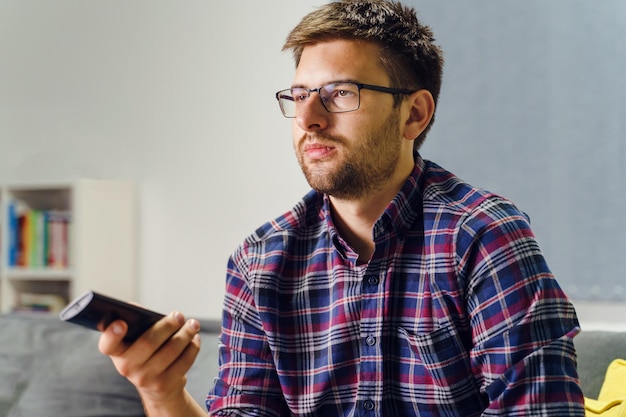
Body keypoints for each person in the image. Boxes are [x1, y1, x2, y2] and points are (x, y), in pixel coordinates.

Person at [99, 0, 586, 416]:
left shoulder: (483, 237)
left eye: (340, 94)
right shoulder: (259, 262)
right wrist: (162, 392)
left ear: (413, 114)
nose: (309, 119)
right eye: (300, 96)